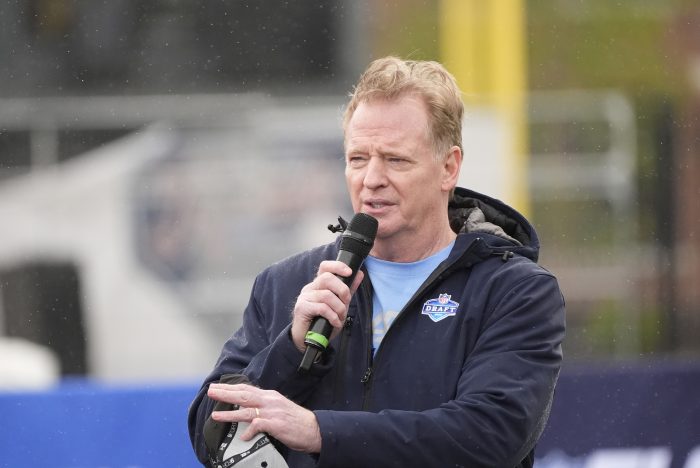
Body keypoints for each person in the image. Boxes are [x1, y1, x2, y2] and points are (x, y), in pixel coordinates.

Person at [188, 56, 566, 468]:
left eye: (395, 159)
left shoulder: (515, 290)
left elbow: (487, 436)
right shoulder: (286, 285)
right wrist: (291, 352)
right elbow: (212, 437)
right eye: (358, 159)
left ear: (449, 167)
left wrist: (321, 432)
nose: (371, 179)